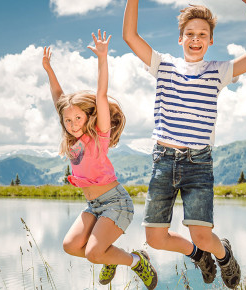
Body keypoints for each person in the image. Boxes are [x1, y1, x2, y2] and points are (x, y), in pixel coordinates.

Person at [122, 0, 246, 288]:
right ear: (180, 38)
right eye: (189, 33)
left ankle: (224, 255)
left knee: (202, 234)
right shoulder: (163, 64)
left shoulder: (218, 71)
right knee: (155, 239)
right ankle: (198, 255)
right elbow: (130, 36)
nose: (195, 39)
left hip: (198, 163)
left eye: (202, 34)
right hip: (163, 162)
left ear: (211, 40)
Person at [42, 30, 157, 289]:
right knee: (71, 246)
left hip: (116, 203)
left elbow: (101, 94)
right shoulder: (70, 138)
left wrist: (102, 58)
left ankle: (137, 261)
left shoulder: (98, 135)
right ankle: (110, 257)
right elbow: (58, 97)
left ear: (88, 117)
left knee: (94, 253)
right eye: (68, 120)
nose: (72, 124)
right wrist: (49, 70)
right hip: (93, 206)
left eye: (78, 118)